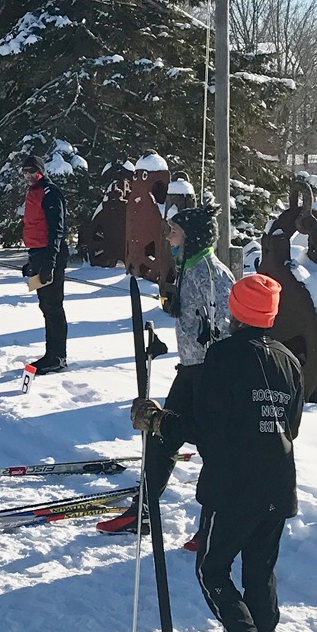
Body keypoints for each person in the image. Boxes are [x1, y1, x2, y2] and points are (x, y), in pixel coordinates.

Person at [147, 273, 304, 632]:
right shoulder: (289, 361)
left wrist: (162, 422)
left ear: (236, 311)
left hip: (234, 483)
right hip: (277, 480)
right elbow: (292, 424)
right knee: (258, 569)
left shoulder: (223, 357)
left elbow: (205, 425)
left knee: (212, 569)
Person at [104, 203, 237, 538]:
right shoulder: (190, 267)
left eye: (175, 231)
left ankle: (215, 528)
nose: (170, 237)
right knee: (160, 432)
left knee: (214, 449)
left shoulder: (208, 271)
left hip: (209, 373)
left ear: (193, 237)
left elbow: (219, 324)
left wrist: (208, 345)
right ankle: (144, 510)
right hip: (190, 368)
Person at [19, 160, 70, 374]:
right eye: (25, 172)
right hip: (38, 254)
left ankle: (57, 357)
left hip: (51, 255)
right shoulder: (34, 192)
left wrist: (49, 262)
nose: (29, 175)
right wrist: (33, 263)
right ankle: (51, 354)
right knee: (45, 306)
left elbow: (56, 230)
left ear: (41, 172)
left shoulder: (50, 192)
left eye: (33, 171)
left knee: (53, 306)